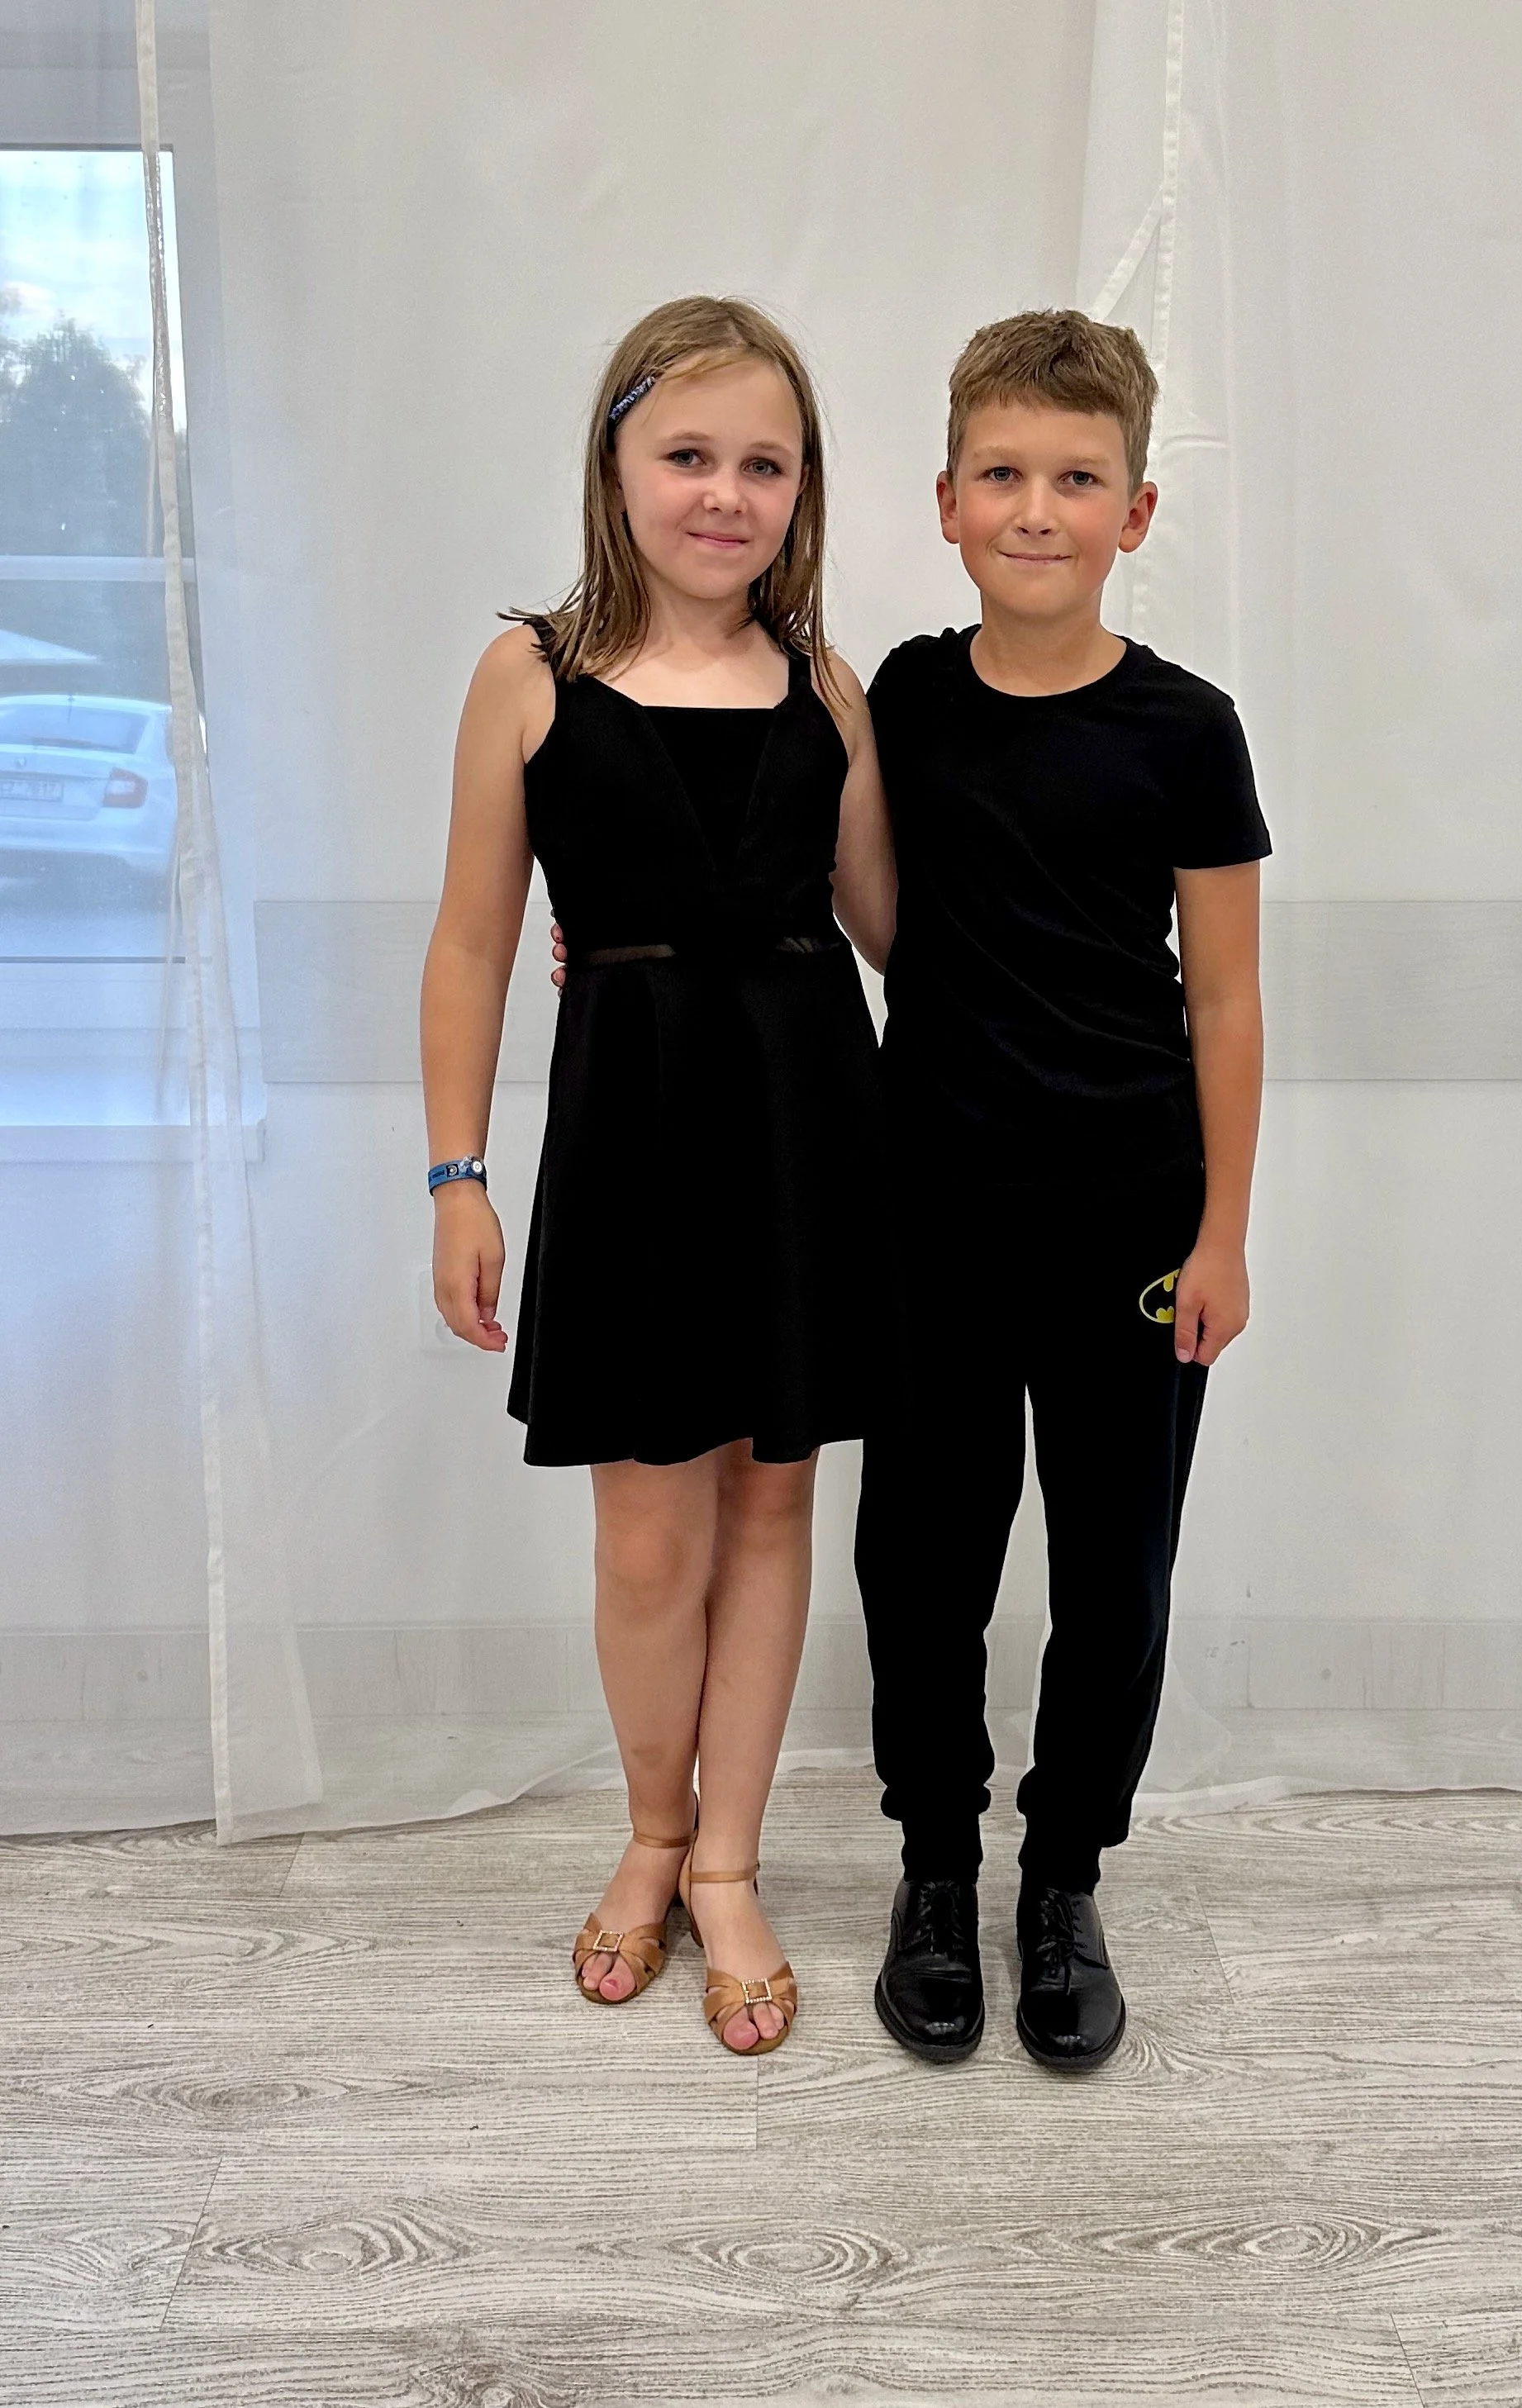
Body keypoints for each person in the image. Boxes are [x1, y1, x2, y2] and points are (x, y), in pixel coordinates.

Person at [421, 294, 894, 2057]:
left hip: (802, 1132)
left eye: (764, 463)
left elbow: (893, 927)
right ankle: (648, 1829)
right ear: (615, 466)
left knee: (771, 1502)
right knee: (644, 1529)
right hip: (629, 1138)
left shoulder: (828, 687)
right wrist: (457, 1173)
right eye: (688, 453)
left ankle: (730, 1862)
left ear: (802, 488)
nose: (724, 493)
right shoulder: (528, 674)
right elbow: (472, 942)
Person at [856, 310, 1269, 2073]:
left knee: (1114, 1574)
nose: (1038, 508)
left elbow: (1226, 998)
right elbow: (872, 910)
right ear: (946, 499)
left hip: (1130, 1217)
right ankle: (936, 1868)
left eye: (1077, 479)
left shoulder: (1188, 728)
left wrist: (1221, 1231)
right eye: (1004, 474)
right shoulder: (899, 696)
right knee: (921, 1559)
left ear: (1136, 511)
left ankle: (1061, 1878)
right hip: (933, 1212)